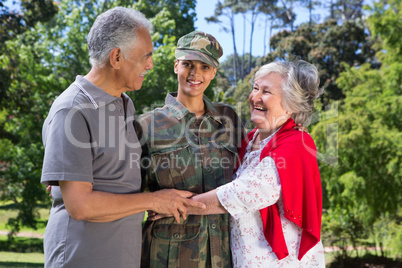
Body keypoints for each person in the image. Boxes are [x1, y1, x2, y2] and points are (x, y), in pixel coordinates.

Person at [40, 7, 205, 268]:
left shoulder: (125, 103)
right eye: (145, 57)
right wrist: (154, 200)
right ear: (116, 57)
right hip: (81, 258)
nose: (150, 65)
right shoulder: (71, 109)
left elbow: (117, 175)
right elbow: (79, 205)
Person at [150, 60, 326, 267]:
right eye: (255, 88)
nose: (255, 97)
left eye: (266, 92)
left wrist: (178, 206)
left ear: (291, 106)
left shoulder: (296, 143)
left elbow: (243, 193)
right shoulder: (251, 139)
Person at [135, 31, 244, 268]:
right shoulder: (146, 126)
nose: (195, 74)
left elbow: (251, 172)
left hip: (226, 254)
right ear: (176, 66)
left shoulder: (229, 120)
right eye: (188, 64)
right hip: (169, 257)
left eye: (205, 67)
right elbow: (122, 189)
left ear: (214, 72)